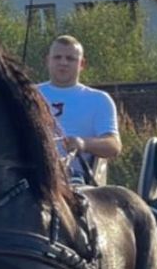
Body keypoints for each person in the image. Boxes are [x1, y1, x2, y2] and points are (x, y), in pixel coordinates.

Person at [36, 35, 121, 184]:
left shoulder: (99, 100)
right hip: (33, 178)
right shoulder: (28, 95)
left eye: (70, 58)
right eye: (57, 57)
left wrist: (83, 144)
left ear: (82, 64)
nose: (63, 63)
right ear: (47, 61)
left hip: (76, 181)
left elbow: (113, 146)